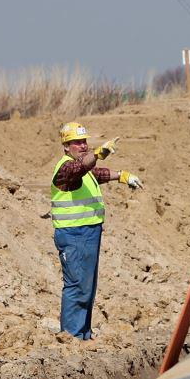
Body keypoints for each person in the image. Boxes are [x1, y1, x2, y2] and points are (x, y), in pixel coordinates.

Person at [51, 122, 143, 340]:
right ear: (66, 146)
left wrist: (122, 175)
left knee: (87, 287)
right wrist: (100, 153)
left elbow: (96, 173)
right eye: (77, 143)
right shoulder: (65, 168)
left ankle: (83, 335)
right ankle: (71, 337)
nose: (82, 146)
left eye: (84, 142)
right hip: (73, 235)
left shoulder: (82, 169)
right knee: (77, 286)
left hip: (89, 233)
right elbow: (80, 169)